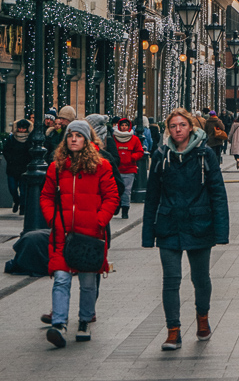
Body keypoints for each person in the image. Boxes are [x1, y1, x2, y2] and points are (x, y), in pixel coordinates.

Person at [142, 107, 229, 351]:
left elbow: (218, 194)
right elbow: (152, 197)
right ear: (168, 130)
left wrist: (221, 231)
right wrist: (148, 233)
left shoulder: (204, 155)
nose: (177, 129)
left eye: (182, 125)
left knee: (200, 278)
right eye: (173, 126)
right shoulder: (161, 155)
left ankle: (203, 319)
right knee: (171, 280)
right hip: (169, 226)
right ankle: (173, 331)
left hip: (199, 224)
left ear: (190, 127)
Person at [39, 120, 119, 348]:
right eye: (70, 135)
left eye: (79, 135)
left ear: (87, 139)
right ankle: (59, 324)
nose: (74, 139)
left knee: (87, 280)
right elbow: (45, 196)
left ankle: (84, 320)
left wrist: (99, 220)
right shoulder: (56, 167)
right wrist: (52, 219)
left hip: (90, 233)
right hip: (62, 233)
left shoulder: (101, 165)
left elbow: (112, 196)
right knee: (61, 278)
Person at [112, 117, 145, 218]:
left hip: (129, 169)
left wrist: (132, 157)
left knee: (126, 191)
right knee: (115, 190)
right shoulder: (114, 138)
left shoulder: (134, 139)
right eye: (122, 125)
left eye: (126, 125)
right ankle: (116, 206)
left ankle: (125, 210)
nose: (124, 127)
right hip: (117, 169)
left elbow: (140, 152)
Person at [2, 118, 32, 212]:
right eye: (20, 128)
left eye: (23, 128)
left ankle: (22, 206)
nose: (21, 130)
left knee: (23, 189)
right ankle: (16, 200)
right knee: (12, 188)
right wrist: (10, 159)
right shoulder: (12, 138)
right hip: (12, 167)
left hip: (23, 167)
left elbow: (30, 153)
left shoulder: (29, 140)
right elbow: (6, 150)